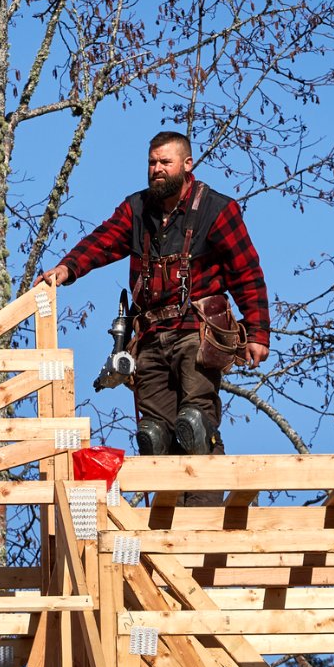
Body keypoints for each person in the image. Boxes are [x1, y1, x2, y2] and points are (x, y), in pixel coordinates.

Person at [42, 131, 269, 457]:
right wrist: (68, 268)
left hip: (197, 333)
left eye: (165, 162)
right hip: (149, 336)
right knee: (153, 437)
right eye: (152, 162)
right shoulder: (137, 209)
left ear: (187, 164)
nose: (157, 169)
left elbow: (246, 272)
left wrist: (258, 332)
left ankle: (209, 492)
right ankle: (168, 490)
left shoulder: (217, 209)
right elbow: (103, 240)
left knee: (195, 426)